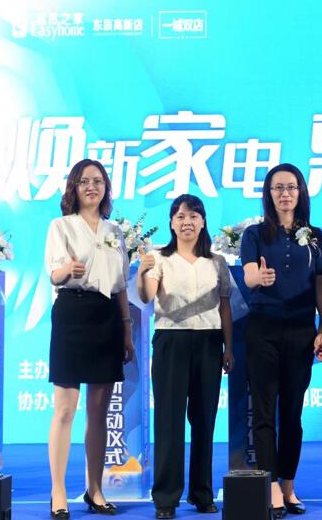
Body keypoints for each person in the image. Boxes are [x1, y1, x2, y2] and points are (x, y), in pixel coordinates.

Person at [239, 163, 322, 518]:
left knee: (293, 414)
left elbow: (320, 282)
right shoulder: (254, 234)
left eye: (291, 187)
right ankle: (272, 487)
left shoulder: (315, 235)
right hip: (263, 329)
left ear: (301, 192)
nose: (285, 194)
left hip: (301, 331)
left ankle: (289, 485)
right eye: (277, 188)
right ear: (269, 193)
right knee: (265, 412)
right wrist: (258, 278)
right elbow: (248, 274)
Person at [44, 159, 134, 519]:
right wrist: (67, 270)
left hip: (107, 316)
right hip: (72, 312)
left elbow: (121, 285)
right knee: (65, 409)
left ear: (106, 187)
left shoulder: (115, 230)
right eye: (84, 182)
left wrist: (127, 330)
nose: (91, 187)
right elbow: (54, 274)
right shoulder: (61, 225)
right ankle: (58, 492)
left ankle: (94, 489)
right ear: (74, 188)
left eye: (98, 181)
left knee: (98, 412)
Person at [137, 194, 234, 520]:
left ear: (203, 222)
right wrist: (141, 273)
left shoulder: (217, 262)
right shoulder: (159, 258)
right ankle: (166, 497)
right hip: (171, 341)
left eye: (193, 216)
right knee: (169, 421)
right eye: (180, 216)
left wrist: (229, 347)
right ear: (171, 223)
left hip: (209, 343)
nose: (186, 222)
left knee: (205, 421)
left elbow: (225, 307)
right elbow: (147, 296)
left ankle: (202, 493)